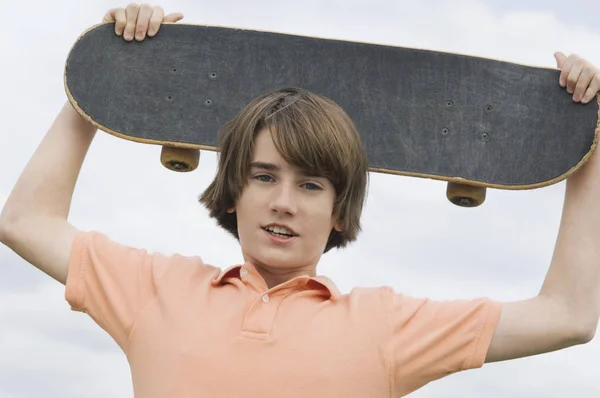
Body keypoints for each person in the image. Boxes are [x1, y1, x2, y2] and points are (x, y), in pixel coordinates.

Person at [1, 3, 599, 398]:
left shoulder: (386, 326)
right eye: (264, 177)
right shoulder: (154, 290)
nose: (284, 201)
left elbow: (567, 315)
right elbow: (26, 222)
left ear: (340, 211)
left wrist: (590, 144)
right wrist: (102, 83)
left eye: (311, 185)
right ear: (233, 190)